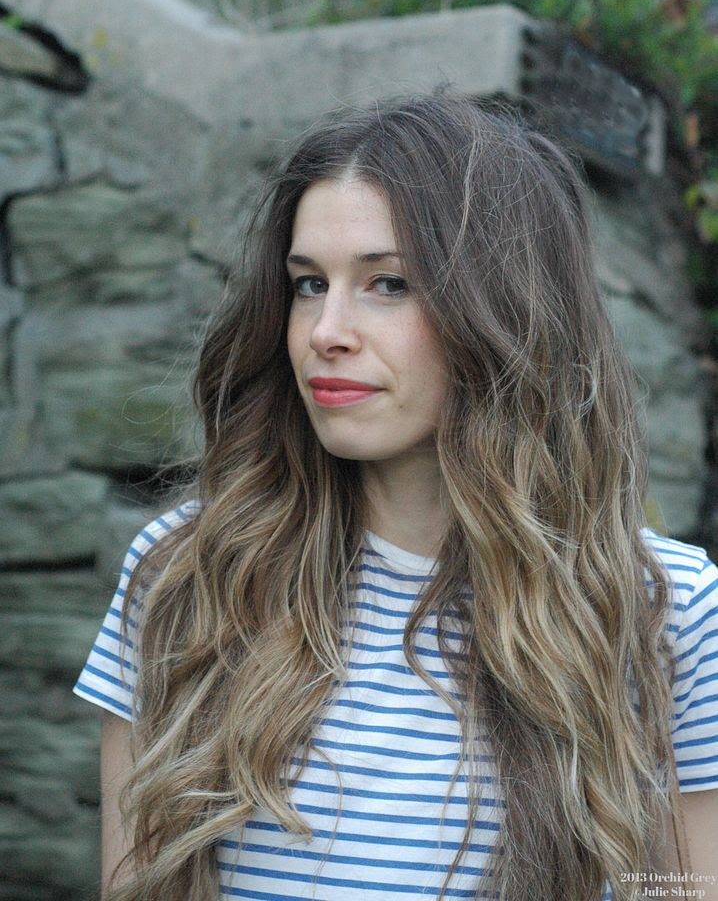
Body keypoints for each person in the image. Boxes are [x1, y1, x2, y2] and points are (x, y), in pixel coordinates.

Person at [74, 94, 718, 901]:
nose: (326, 330)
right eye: (309, 284)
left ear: (505, 309)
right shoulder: (188, 575)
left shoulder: (664, 610)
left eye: (388, 283)